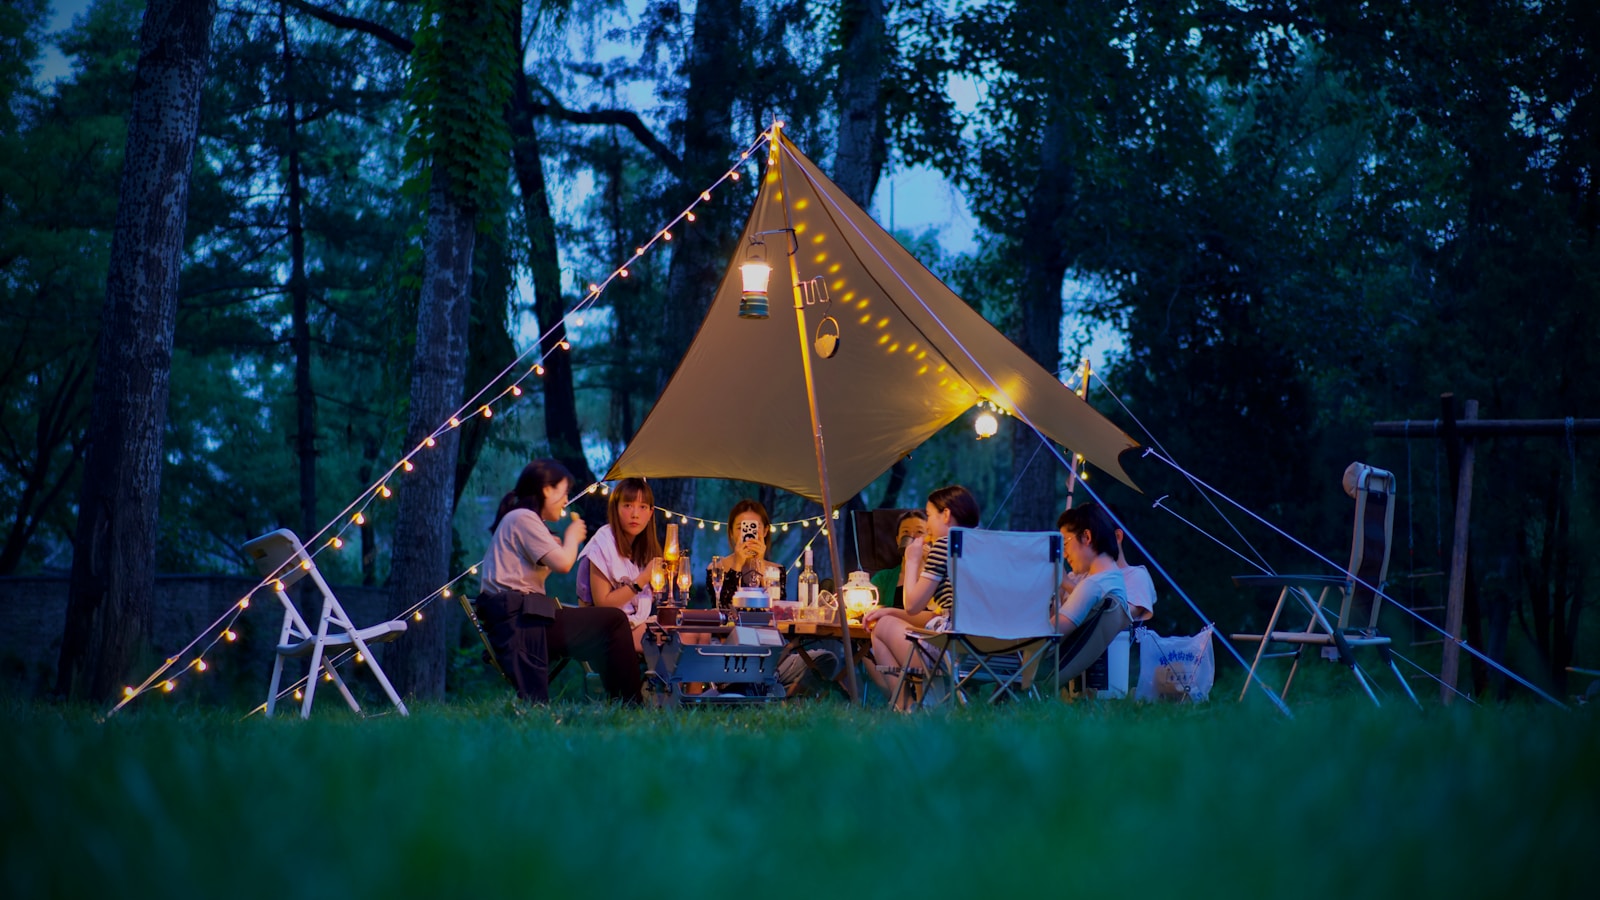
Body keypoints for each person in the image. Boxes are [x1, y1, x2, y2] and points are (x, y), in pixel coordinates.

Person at [477, 459, 641, 704]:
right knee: (614, 621)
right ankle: (630, 703)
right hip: (521, 623)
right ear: (546, 490)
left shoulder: (524, 521)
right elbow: (564, 564)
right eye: (563, 493)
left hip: (525, 618)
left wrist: (556, 545)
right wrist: (572, 538)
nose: (566, 501)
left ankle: (621, 700)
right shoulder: (523, 517)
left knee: (606, 626)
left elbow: (537, 571)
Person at [863, 485, 980, 708]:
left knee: (880, 626)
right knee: (888, 617)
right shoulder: (990, 547)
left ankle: (904, 707)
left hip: (952, 648)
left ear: (945, 514)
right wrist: (889, 609)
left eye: (928, 516)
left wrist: (914, 559)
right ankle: (931, 702)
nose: (927, 526)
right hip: (996, 649)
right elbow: (936, 614)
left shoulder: (946, 545)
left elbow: (912, 606)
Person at [576, 477, 666, 653]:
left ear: (650, 513)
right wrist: (643, 579)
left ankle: (661, 681)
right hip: (603, 632)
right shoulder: (602, 544)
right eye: (627, 505)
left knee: (697, 636)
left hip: (634, 625)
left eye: (642, 507)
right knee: (682, 642)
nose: (635, 514)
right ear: (615, 508)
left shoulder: (644, 548)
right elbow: (603, 604)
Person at [1053, 503, 1135, 684]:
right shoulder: (1114, 582)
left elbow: (1049, 634)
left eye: (1065, 543)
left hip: (1040, 666)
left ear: (1087, 537)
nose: (1064, 553)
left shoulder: (1094, 586)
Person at [708, 499, 786, 607]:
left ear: (765, 531)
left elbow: (776, 608)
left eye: (754, 527)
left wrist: (760, 563)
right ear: (731, 532)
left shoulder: (775, 570)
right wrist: (737, 565)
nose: (748, 533)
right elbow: (723, 607)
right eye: (741, 528)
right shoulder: (717, 568)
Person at [868, 509, 928, 609]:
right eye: (905, 532)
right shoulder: (883, 579)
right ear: (898, 540)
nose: (912, 536)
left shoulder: (938, 576)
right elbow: (869, 611)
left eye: (919, 532)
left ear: (929, 538)